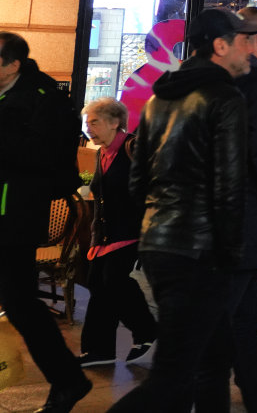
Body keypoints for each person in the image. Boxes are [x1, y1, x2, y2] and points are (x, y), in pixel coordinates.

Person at [107, 8, 252, 413]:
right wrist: (230, 252)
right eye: (243, 41)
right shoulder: (225, 98)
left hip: (160, 243)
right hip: (201, 253)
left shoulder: (157, 100)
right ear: (220, 46)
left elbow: (138, 182)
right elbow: (229, 186)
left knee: (213, 358)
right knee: (173, 375)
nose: (250, 51)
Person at [194, 7, 257, 413]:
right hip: (240, 229)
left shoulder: (190, 82)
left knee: (246, 323)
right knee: (212, 345)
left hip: (206, 226)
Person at [0, 32, 94, 413]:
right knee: (20, 301)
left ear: (12, 65)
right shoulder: (11, 95)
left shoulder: (44, 100)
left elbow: (46, 160)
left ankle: (68, 379)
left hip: (16, 217)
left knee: (20, 302)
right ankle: (69, 379)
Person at [78, 97, 157, 369]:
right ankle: (98, 349)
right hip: (106, 234)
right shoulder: (101, 153)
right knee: (98, 285)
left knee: (114, 282)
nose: (89, 128)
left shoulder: (132, 147)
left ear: (114, 122)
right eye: (87, 123)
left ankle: (148, 333)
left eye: (95, 122)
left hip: (132, 230)